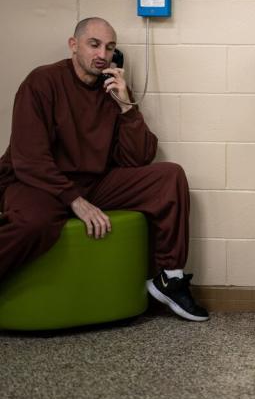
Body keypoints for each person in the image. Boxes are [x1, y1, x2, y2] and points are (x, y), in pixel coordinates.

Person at [0, 17, 207, 322]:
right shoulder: (42, 82)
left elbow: (138, 157)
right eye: (94, 44)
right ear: (74, 45)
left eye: (110, 48)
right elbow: (29, 159)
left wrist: (126, 106)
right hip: (37, 183)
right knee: (35, 225)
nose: (103, 55)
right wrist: (75, 201)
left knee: (169, 176)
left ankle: (170, 278)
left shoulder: (112, 90)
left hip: (93, 180)